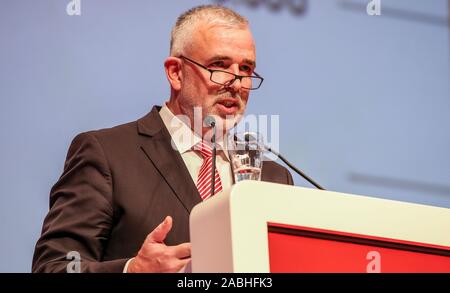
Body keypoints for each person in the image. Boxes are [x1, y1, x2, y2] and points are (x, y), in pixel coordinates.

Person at [32, 5, 293, 273]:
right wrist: (133, 270)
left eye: (246, 68)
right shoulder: (107, 156)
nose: (237, 83)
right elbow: (53, 267)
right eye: (219, 65)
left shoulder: (273, 178)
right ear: (175, 73)